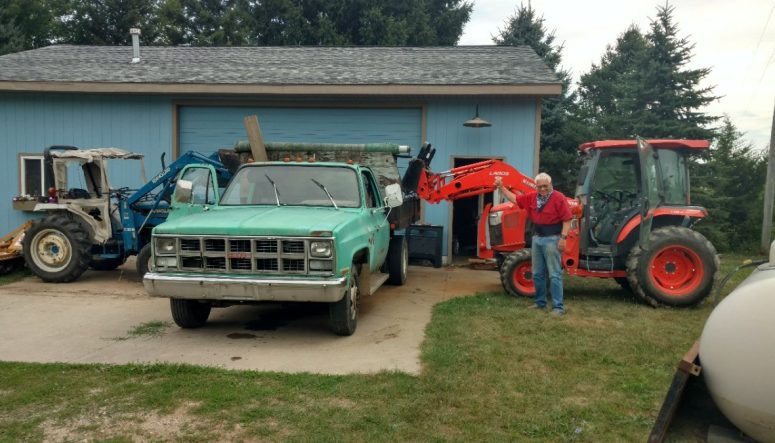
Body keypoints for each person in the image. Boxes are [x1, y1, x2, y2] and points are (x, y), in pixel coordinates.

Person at [495, 172, 572, 316]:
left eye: (545, 186)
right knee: (537, 273)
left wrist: (563, 238)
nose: (542, 189)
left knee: (554, 274)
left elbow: (567, 219)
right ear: (536, 186)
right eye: (540, 186)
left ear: (550, 185)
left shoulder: (558, 198)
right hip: (537, 239)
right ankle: (540, 303)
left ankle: (558, 307)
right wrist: (501, 187)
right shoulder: (531, 197)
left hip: (552, 239)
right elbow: (515, 199)